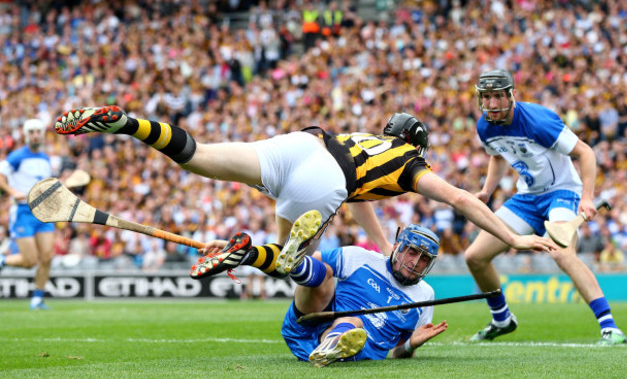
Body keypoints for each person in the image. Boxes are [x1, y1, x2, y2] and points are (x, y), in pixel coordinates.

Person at [53, 107, 555, 282]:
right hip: (324, 182)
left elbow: (362, 209)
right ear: (418, 145)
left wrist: (383, 252)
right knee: (287, 264)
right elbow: (464, 200)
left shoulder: (368, 140)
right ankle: (247, 251)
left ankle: (128, 124)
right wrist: (512, 237)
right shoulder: (411, 163)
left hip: (302, 143)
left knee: (198, 156)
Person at [465, 69, 627, 346]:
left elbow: (585, 152)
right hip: (526, 198)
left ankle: (610, 328)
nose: (491, 104)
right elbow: (497, 157)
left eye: (497, 97)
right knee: (475, 256)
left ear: (511, 95)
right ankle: (502, 319)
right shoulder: (485, 126)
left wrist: (587, 198)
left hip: (561, 192)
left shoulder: (538, 121)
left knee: (563, 255)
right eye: (487, 97)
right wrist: (487, 190)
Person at [271, 211, 451, 367]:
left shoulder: (426, 296)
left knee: (354, 322)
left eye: (425, 259)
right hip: (305, 326)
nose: (416, 263)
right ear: (397, 247)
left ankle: (329, 346)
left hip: (357, 348)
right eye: (412, 252)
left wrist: (411, 345)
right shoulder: (360, 257)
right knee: (323, 269)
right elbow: (317, 260)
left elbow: (397, 353)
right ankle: (296, 263)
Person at [0, 119, 55, 310]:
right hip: (23, 211)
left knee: (47, 256)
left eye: (38, 132)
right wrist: (12, 191)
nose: (35, 135)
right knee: (29, 260)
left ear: (42, 134)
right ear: (26, 134)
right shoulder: (17, 156)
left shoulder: (45, 159)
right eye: (31, 132)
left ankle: (37, 299)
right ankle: (2, 260)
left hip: (44, 213)